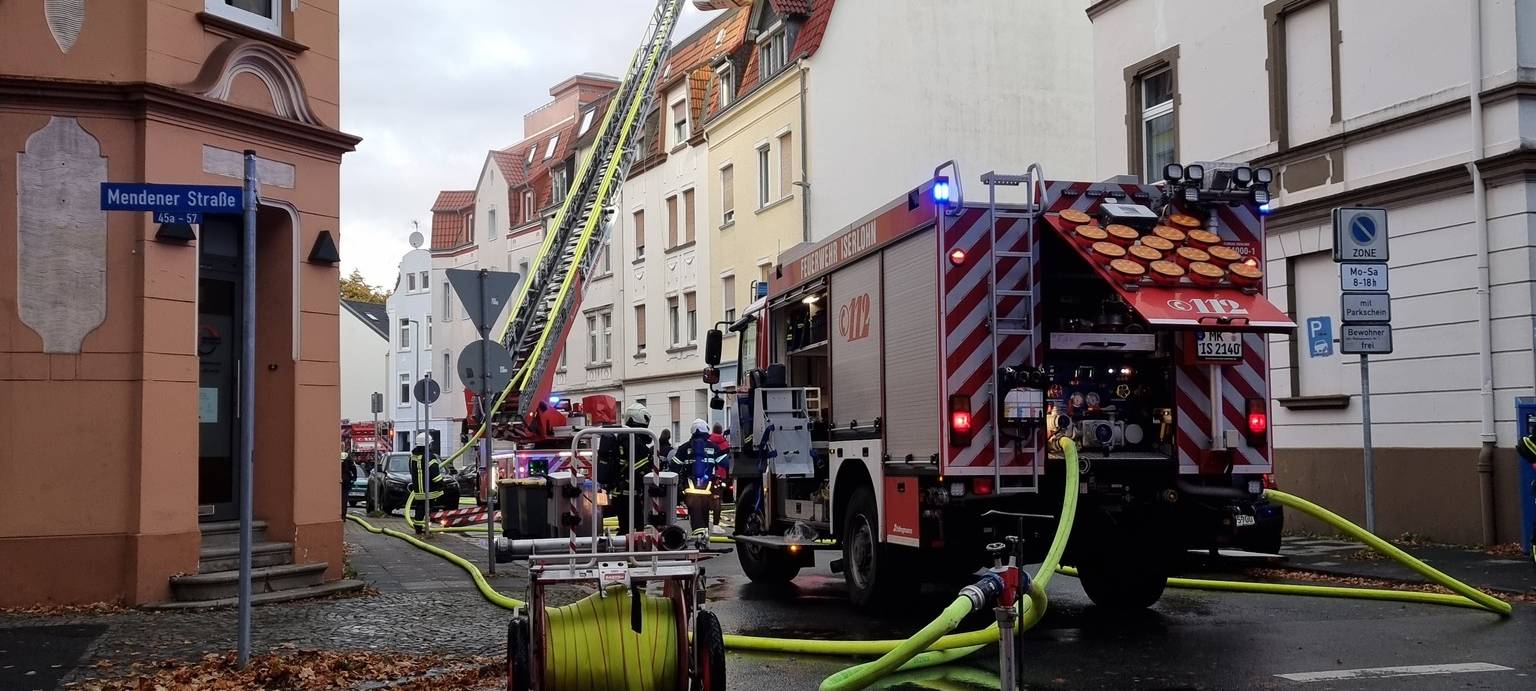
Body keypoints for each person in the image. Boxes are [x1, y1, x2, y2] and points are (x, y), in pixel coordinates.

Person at [597, 404, 654, 533]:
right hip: (628, 494)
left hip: (622, 493)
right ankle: (628, 551)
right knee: (635, 529)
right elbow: (641, 469)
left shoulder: (626, 438)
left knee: (627, 527)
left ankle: (624, 550)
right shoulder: (633, 440)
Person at [672, 419, 724, 533]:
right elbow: (724, 463)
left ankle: (699, 533)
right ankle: (704, 532)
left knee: (695, 512)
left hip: (690, 487)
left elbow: (674, 467)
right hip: (707, 488)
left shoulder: (684, 448)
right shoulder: (714, 448)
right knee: (705, 510)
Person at [408, 440, 446, 531]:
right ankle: (428, 528)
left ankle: (418, 527)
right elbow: (435, 474)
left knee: (420, 507)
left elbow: (411, 471)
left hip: (418, 489)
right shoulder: (430, 457)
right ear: (427, 444)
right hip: (430, 489)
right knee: (430, 508)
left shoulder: (413, 457)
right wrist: (441, 484)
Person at [340, 451, 356, 517]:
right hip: (346, 482)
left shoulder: (339, 463)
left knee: (342, 499)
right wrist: (353, 478)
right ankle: (343, 515)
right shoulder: (350, 463)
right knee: (344, 499)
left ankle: (342, 514)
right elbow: (354, 472)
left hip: (341, 482)